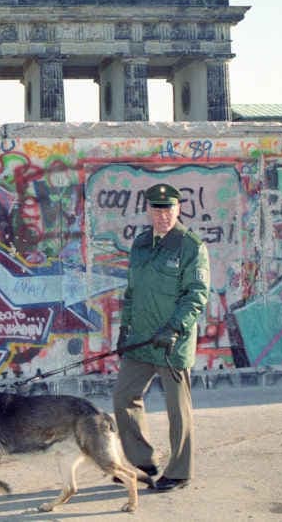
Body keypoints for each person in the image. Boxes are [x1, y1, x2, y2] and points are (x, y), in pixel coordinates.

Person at [113, 182, 210, 492]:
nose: (163, 214)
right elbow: (132, 292)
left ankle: (180, 471)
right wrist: (124, 329)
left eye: (168, 208)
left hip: (171, 343)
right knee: (123, 398)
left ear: (178, 209)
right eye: (157, 208)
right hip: (140, 340)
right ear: (148, 210)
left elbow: (196, 295)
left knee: (177, 410)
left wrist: (175, 328)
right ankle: (142, 463)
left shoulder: (190, 246)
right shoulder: (141, 244)